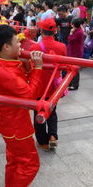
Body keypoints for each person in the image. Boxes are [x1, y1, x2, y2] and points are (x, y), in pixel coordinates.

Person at [0, 25, 44, 187]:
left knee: (15, 161)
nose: (20, 45)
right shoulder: (6, 71)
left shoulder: (6, 61)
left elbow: (20, 86)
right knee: (31, 164)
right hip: (15, 126)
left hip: (10, 122)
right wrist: (37, 68)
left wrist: (28, 68)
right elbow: (29, 96)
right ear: (5, 47)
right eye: (16, 42)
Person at [29, 19, 67, 151]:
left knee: (38, 112)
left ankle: (42, 142)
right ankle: (52, 136)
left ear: (41, 31)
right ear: (54, 31)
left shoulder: (35, 48)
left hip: (38, 85)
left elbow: (31, 66)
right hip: (53, 86)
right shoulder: (62, 47)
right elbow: (64, 66)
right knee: (52, 111)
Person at [68, 18, 85, 91]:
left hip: (76, 52)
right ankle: (71, 83)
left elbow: (70, 39)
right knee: (72, 67)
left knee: (75, 68)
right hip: (74, 51)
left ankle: (75, 85)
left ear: (73, 25)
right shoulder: (79, 31)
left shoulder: (78, 32)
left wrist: (71, 33)